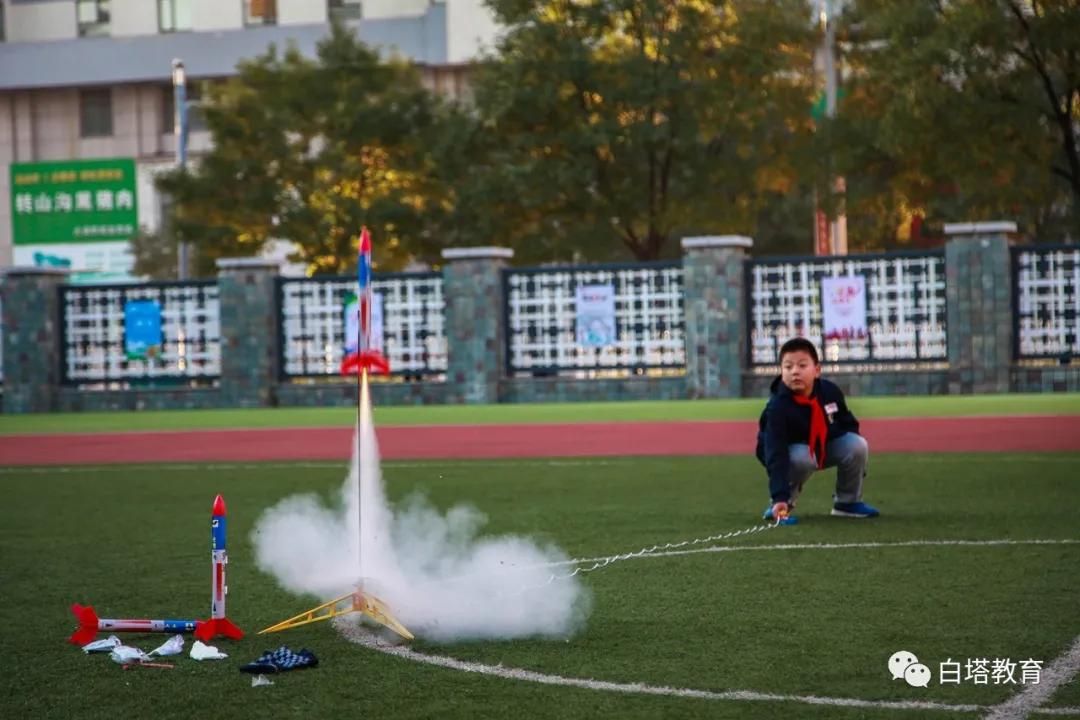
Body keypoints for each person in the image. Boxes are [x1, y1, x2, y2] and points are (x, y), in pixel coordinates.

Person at [755, 337, 879, 525]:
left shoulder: (829, 392)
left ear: (817, 370)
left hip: (820, 446)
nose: (795, 371)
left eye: (802, 365)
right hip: (789, 453)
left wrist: (847, 454)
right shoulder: (777, 407)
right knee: (802, 458)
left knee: (857, 445)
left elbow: (848, 423)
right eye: (788, 367)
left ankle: (847, 503)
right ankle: (782, 505)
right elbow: (775, 453)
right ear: (781, 372)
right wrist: (779, 495)